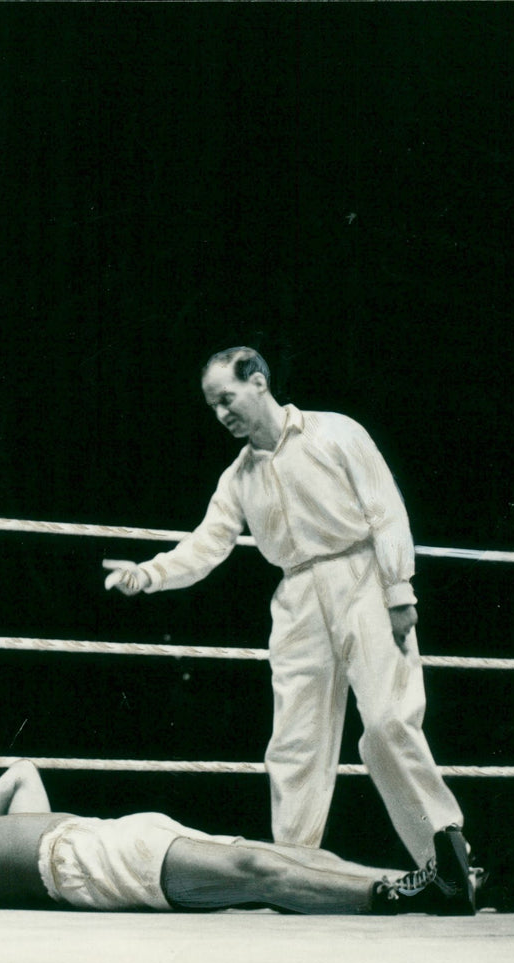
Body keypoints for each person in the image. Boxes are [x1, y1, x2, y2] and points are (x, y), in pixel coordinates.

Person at [103, 346, 467, 871]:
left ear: (258, 381)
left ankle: (447, 860)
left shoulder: (336, 433)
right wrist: (149, 574)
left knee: (389, 723)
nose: (222, 414)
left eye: (226, 398)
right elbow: (207, 545)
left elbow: (386, 511)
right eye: (212, 407)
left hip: (363, 577)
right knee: (295, 742)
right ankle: (296, 872)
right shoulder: (238, 478)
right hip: (297, 598)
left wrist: (399, 591)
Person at [0, 759, 475, 914]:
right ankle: (407, 893)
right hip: (83, 861)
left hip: (115, 833)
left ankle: (444, 881)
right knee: (257, 865)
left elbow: (22, 771)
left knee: (301, 854)